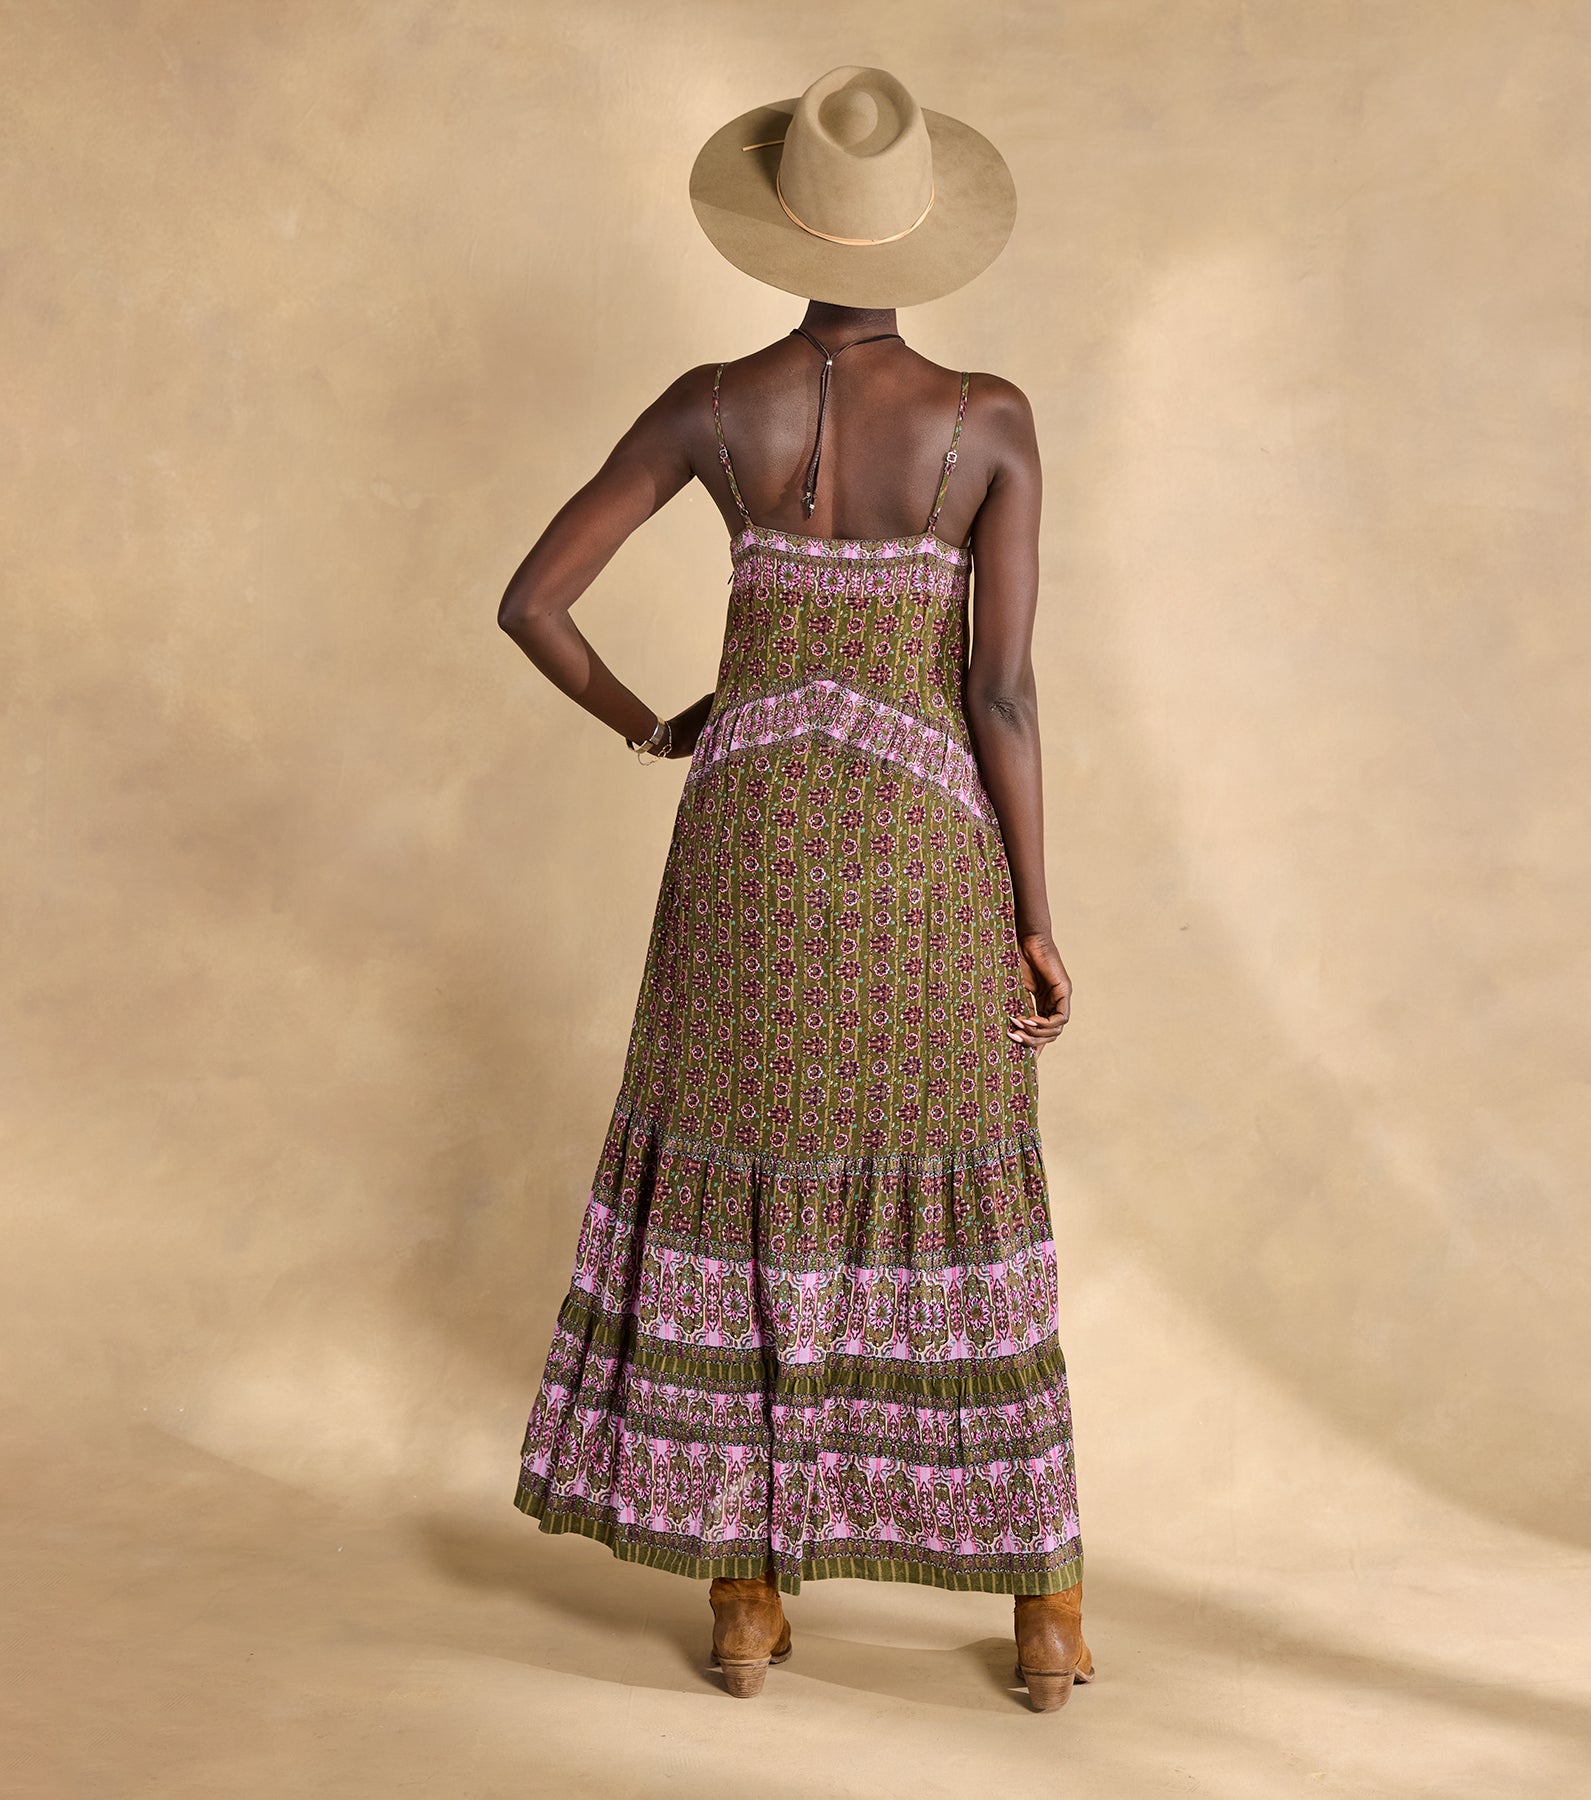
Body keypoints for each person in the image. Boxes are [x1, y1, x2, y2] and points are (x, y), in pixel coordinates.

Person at [497, 65, 1092, 1711]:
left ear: (781, 229)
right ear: (920, 233)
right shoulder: (989, 419)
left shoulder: (712, 404)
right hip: (923, 862)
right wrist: (1035, 918)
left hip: (744, 850)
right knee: (963, 1201)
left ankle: (748, 1603)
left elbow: (534, 604)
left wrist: (660, 727)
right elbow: (1003, 695)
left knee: (745, 1181)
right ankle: (1047, 1612)